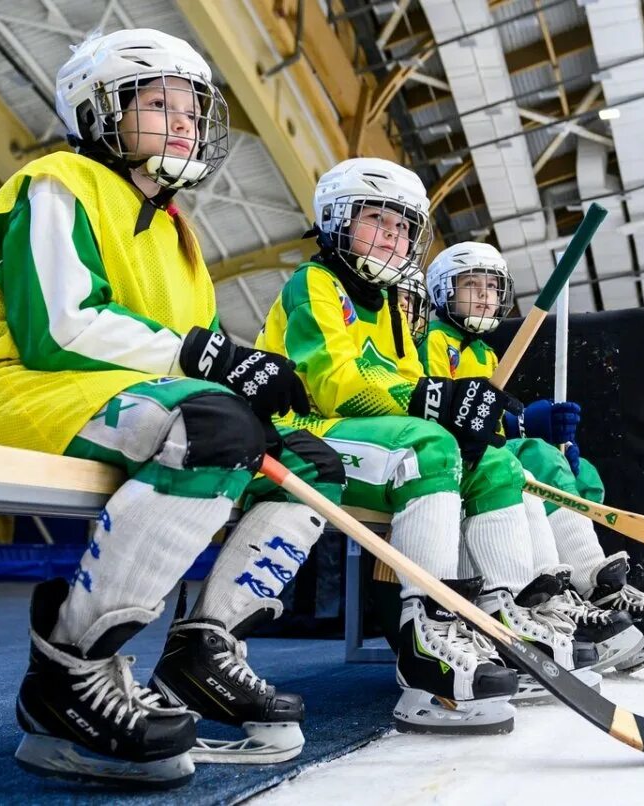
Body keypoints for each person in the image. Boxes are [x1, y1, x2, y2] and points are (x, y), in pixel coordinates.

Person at [0, 29, 347, 788]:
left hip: (119, 396)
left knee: (308, 465)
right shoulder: (58, 181)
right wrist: (213, 360)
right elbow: (58, 326)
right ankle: (70, 669)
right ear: (100, 111)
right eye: (161, 104)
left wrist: (248, 383)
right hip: (21, 388)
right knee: (211, 425)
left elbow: (178, 351)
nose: (186, 123)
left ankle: (206, 647)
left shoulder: (179, 233)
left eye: (194, 111)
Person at [256, 157, 608, 728]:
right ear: (337, 220)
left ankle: (507, 612)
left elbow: (404, 389)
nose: (393, 239)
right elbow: (331, 381)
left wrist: (463, 419)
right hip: (304, 433)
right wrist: (436, 402)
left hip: (370, 438)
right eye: (377, 221)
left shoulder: (398, 308)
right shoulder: (314, 283)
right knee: (430, 448)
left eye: (402, 228)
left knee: (495, 464)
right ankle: (426, 639)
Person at [418, 242, 644, 672]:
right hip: (456, 460)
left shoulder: (483, 351)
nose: (483, 296)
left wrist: (532, 420)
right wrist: (520, 425)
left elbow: (491, 410)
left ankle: (589, 595)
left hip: (484, 455)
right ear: (443, 292)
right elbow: (456, 414)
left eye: (492, 288)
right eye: (470, 285)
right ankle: (590, 587)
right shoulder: (436, 340)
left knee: (581, 473)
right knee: (536, 455)